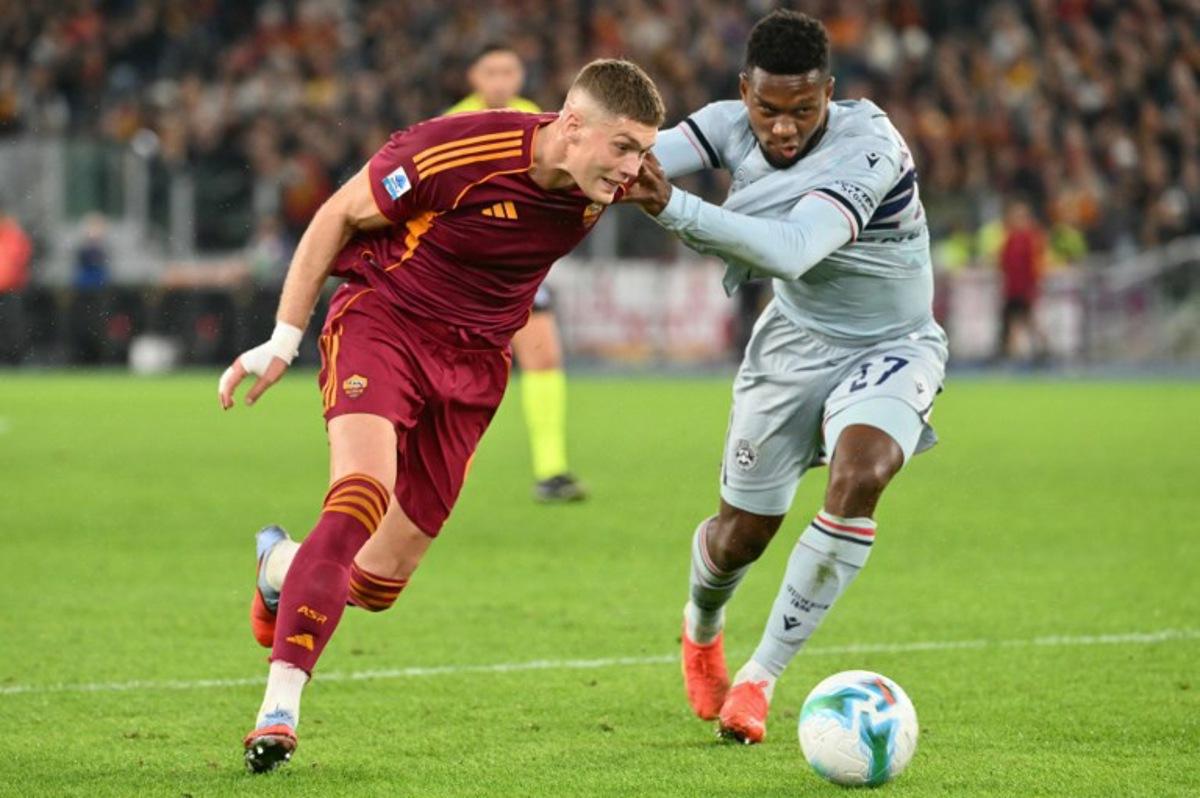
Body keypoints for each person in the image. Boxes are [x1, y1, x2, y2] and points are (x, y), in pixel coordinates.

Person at [218, 59, 663, 773]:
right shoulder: (453, 151)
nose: (634, 168)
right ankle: (279, 706)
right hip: (384, 321)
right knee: (360, 493)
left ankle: (281, 565)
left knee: (378, 583)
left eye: (643, 150)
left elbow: (700, 165)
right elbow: (337, 214)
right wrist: (283, 337)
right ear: (571, 126)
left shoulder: (613, 178)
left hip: (476, 366)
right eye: (624, 148)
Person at [624, 10, 948, 744]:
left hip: (892, 345)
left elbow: (797, 249)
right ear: (745, 92)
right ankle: (701, 626)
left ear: (829, 92)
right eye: (768, 110)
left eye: (804, 110)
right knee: (741, 537)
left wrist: (669, 204)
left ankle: (760, 681)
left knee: (862, 474)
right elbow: (633, 159)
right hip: (792, 348)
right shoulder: (726, 124)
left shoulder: (870, 148)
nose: (784, 128)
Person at [447, 43, 587, 502]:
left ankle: (552, 470)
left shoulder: (537, 118)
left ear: (520, 76)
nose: (500, 80)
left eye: (509, 70)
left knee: (543, 356)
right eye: (491, 71)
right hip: (462, 267)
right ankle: (427, 465)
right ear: (474, 76)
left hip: (520, 262)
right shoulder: (453, 124)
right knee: (452, 372)